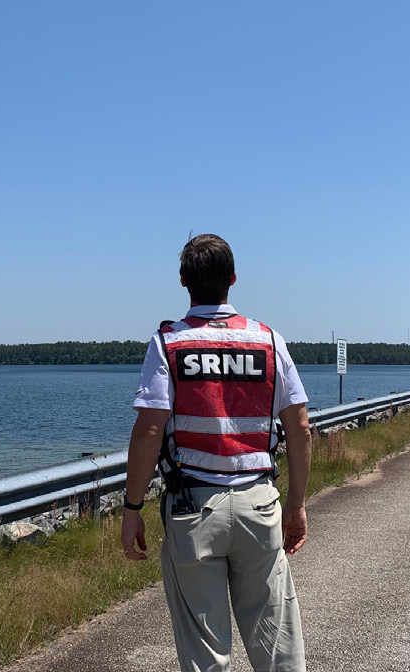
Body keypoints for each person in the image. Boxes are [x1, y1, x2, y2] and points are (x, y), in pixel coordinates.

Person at [121, 235, 312, 672]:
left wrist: (132, 509)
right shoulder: (267, 340)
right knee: (278, 649)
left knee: (206, 655)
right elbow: (299, 428)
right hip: (259, 503)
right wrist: (297, 505)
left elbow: (150, 430)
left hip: (192, 511)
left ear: (183, 280)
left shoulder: (168, 343)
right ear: (233, 279)